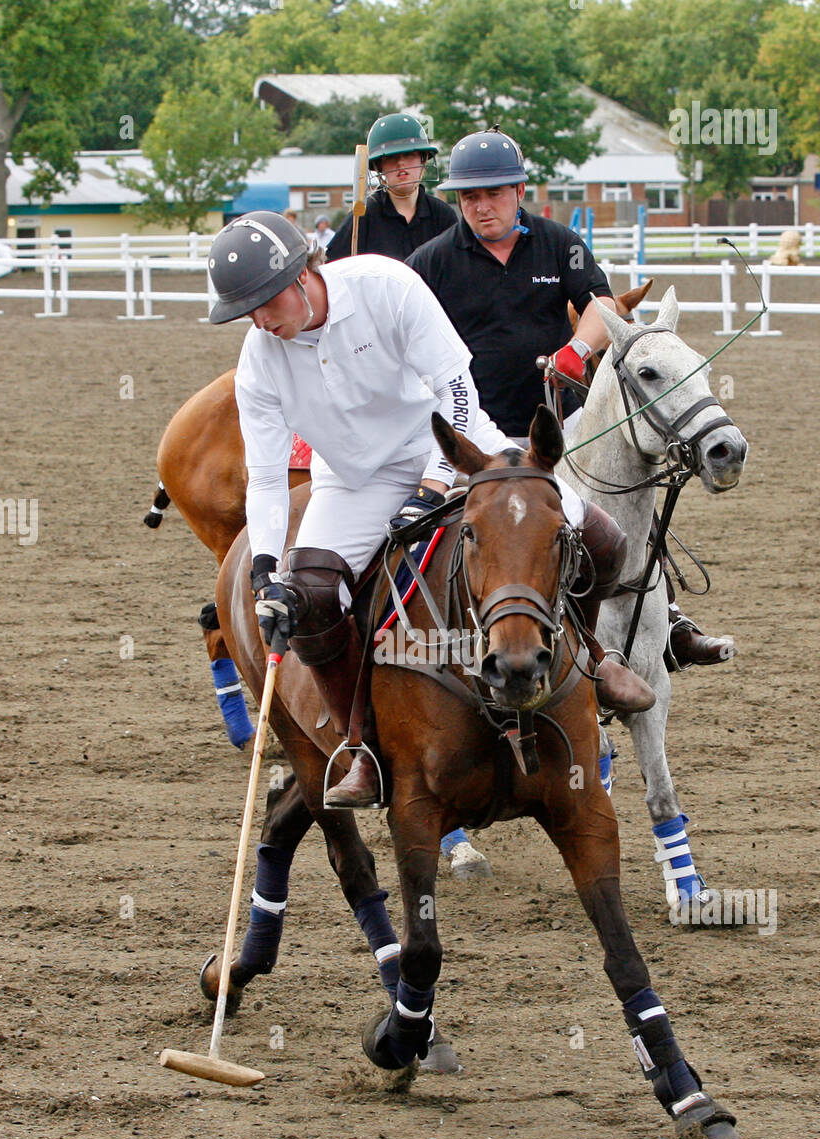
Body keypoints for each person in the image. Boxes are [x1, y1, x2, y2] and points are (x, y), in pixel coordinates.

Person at [207, 212, 654, 809]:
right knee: (309, 595)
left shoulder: (384, 285)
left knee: (601, 539)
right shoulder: (261, 359)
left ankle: (596, 662)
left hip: (453, 445)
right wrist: (265, 569)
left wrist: (435, 480)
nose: (260, 320)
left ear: (303, 272)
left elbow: (458, 390)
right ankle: (360, 746)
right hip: (351, 482)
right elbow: (264, 475)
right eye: (247, 311)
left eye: (265, 301)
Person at [406, 128, 734, 669]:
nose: (481, 207)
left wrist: (577, 348)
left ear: (518, 189)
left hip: (557, 430)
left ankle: (667, 618)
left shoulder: (559, 243)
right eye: (468, 197)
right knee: (442, 535)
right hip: (470, 436)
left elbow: (603, 303)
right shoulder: (431, 261)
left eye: (492, 194)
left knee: (626, 500)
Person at [325, 113, 456, 263]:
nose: (401, 163)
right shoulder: (363, 216)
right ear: (379, 166)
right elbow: (331, 271)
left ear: (423, 160)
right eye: (391, 157)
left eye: (409, 154)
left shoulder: (442, 216)